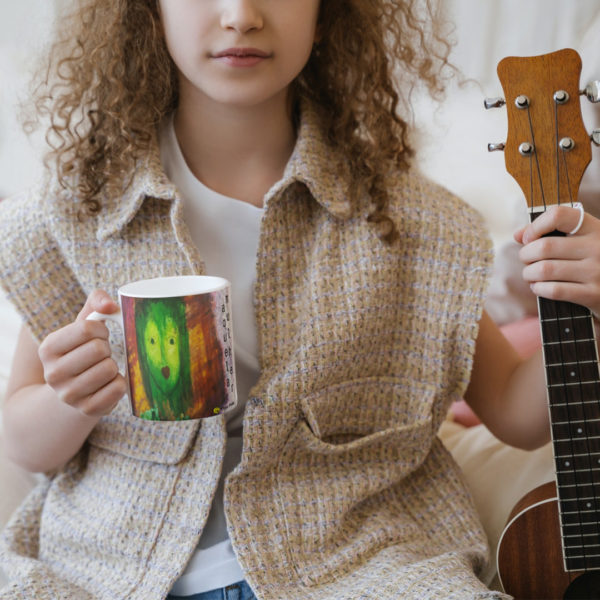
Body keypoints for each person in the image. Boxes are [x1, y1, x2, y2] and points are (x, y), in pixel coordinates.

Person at [1, 1, 599, 598]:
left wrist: (593, 303)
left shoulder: (413, 225)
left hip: (357, 565)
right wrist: (68, 399)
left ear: (327, 12)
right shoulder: (81, 213)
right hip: (112, 569)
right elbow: (24, 441)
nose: (240, 15)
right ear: (149, 12)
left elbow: (517, 416)